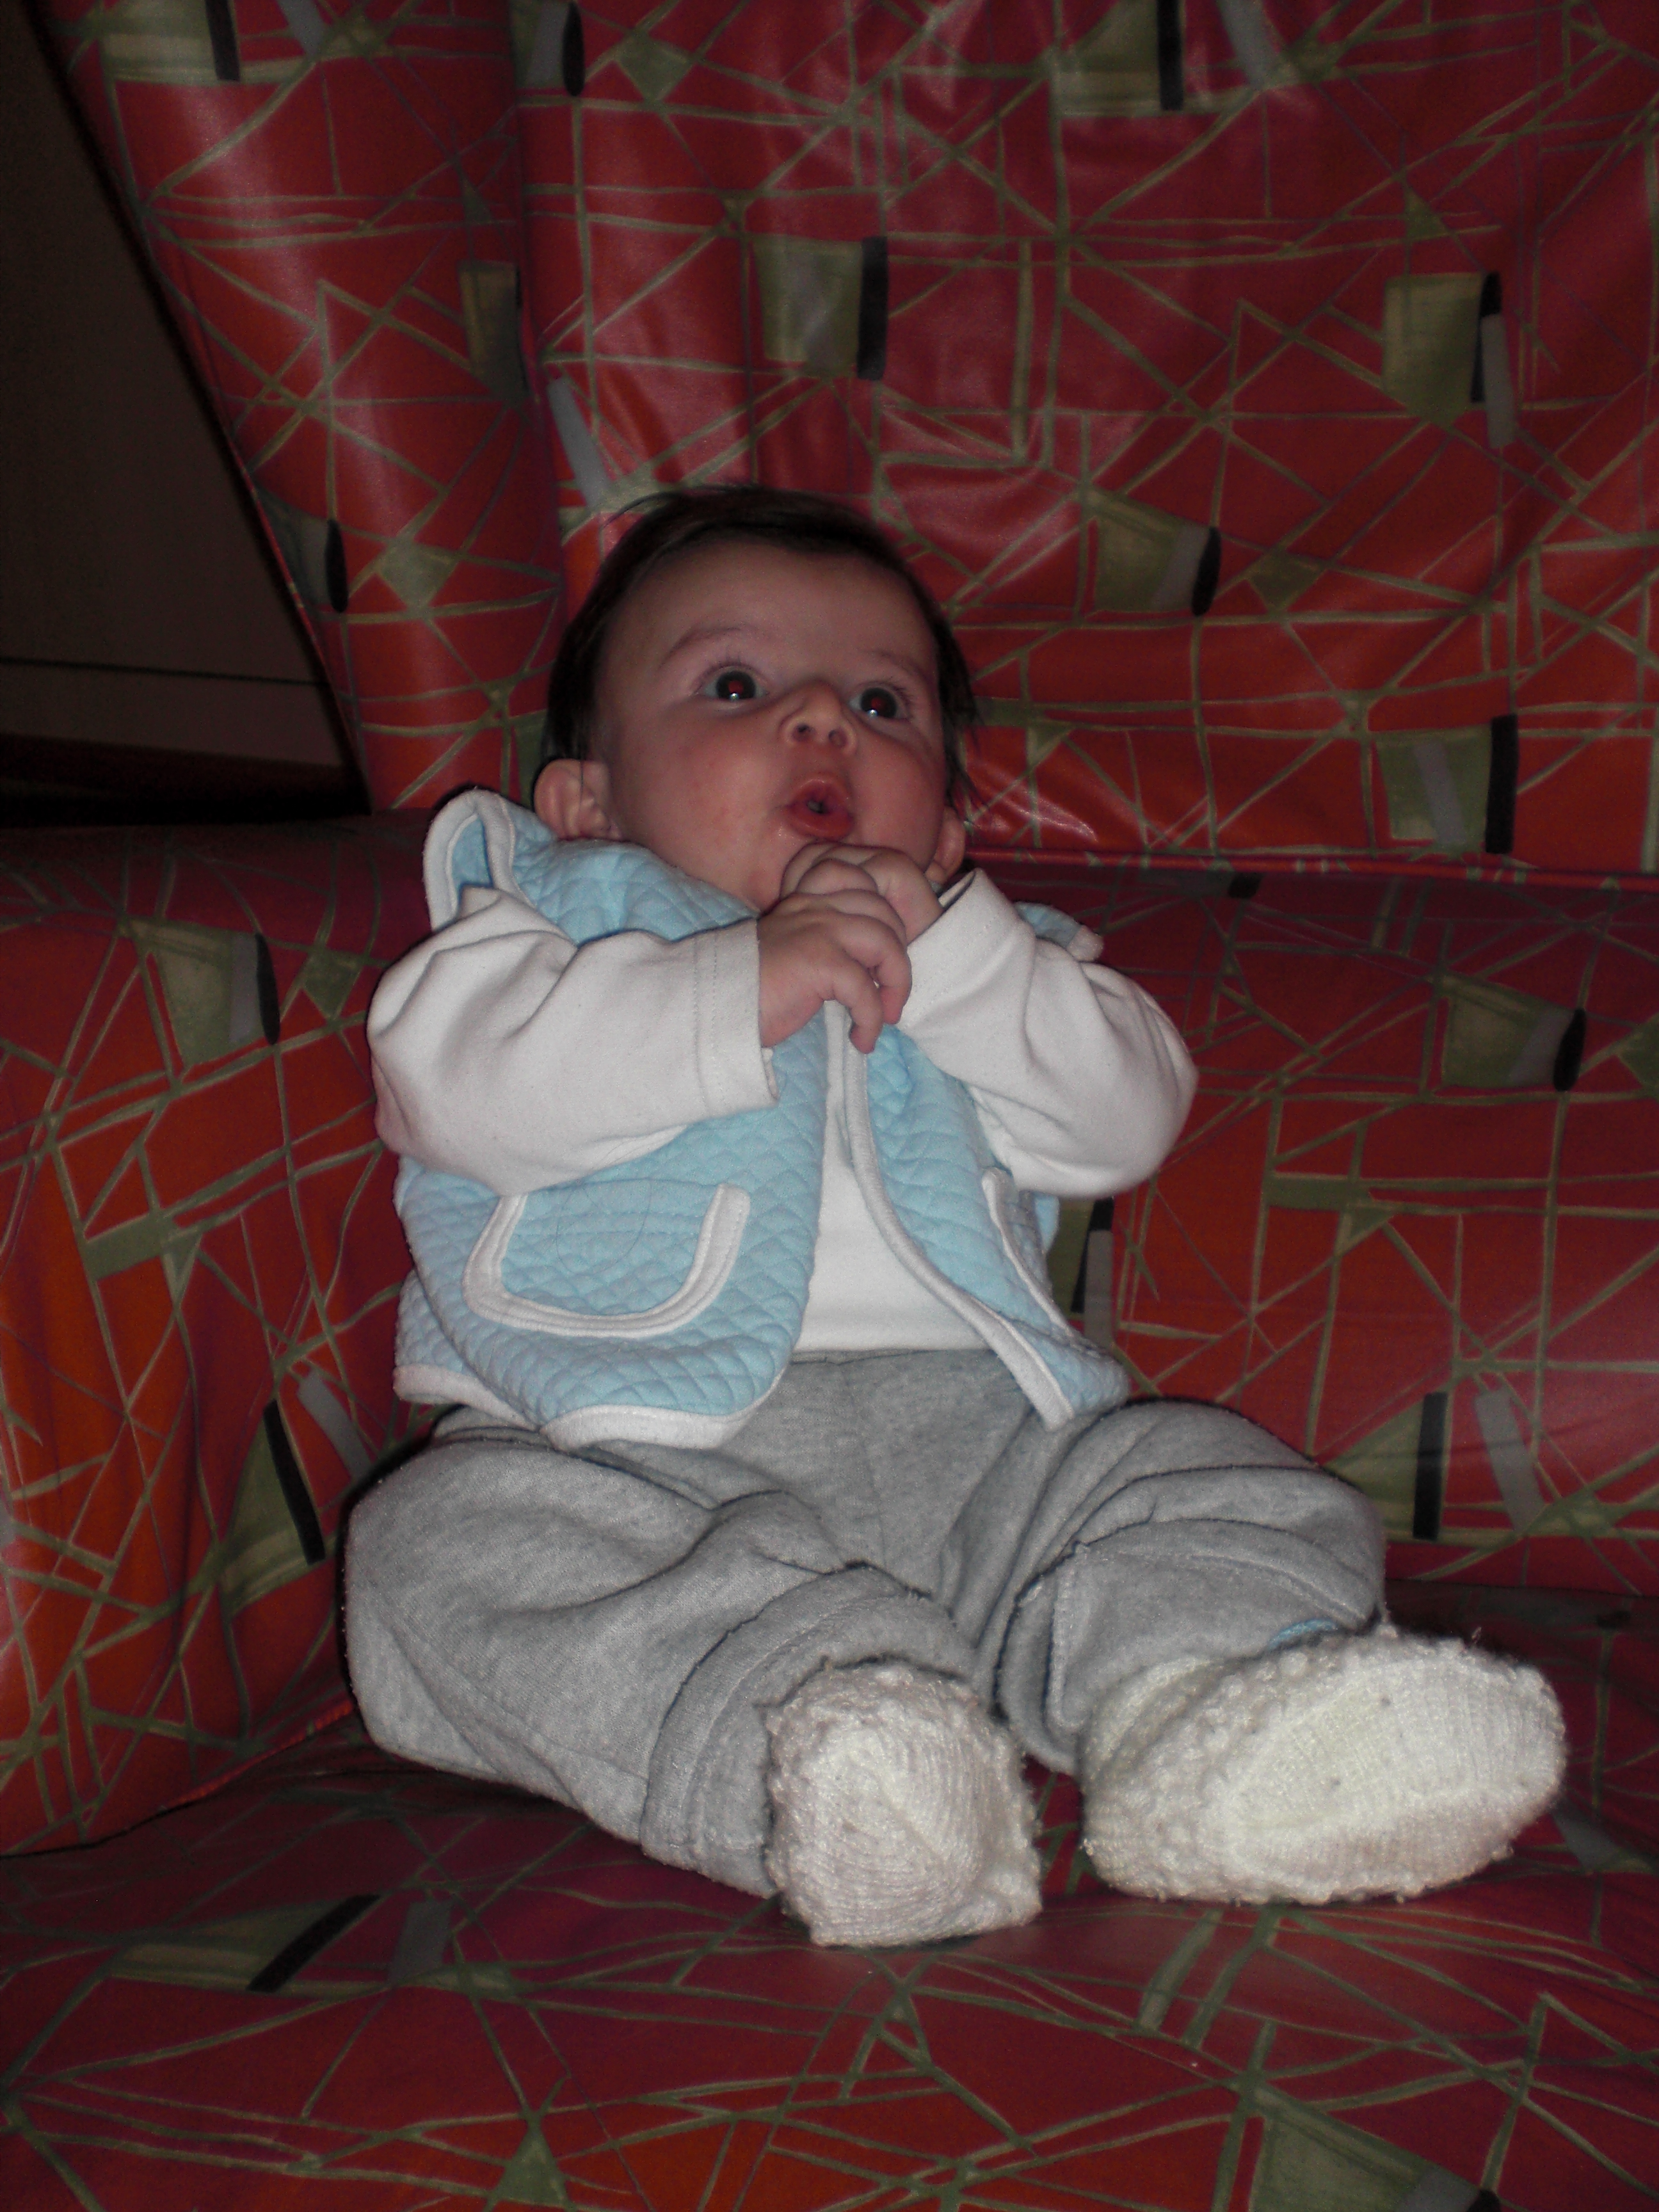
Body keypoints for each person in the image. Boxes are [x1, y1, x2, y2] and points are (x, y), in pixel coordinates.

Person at [346, 486, 1564, 1948]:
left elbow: (1126, 1119)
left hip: (988, 1468)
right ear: (588, 803)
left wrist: (963, 960)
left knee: (1216, 1482)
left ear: (948, 821)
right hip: (634, 1476)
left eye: (883, 704)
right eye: (735, 686)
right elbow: (463, 1098)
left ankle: (1209, 1720)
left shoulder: (991, 971)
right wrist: (737, 986)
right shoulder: (538, 937)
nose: (822, 721)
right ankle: (833, 1768)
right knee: (435, 1550)